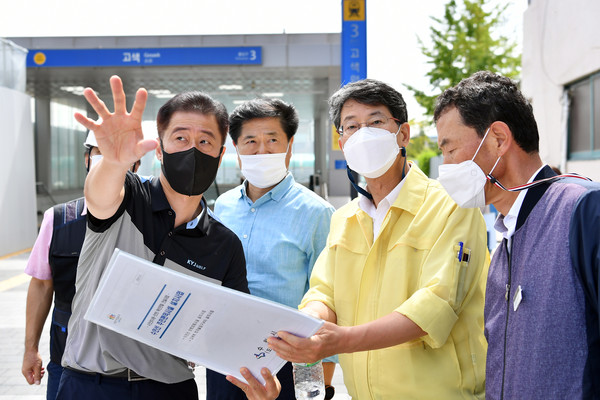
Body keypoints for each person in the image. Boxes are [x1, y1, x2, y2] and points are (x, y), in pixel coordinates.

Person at [268, 79, 489, 399]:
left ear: (403, 134)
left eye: (375, 122)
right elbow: (324, 292)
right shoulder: (343, 219)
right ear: (342, 143)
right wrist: (311, 320)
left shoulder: (452, 206)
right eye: (351, 126)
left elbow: (434, 308)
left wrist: (340, 340)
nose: (363, 134)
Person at [56, 75, 250, 400]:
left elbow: (231, 330)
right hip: (90, 384)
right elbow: (99, 196)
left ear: (220, 153)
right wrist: (113, 163)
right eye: (180, 138)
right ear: (159, 150)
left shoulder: (224, 245)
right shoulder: (127, 197)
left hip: (170, 388)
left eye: (205, 142)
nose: (192, 149)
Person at [434, 70, 600, 399]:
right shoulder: (505, 236)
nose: (445, 165)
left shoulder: (582, 209)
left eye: (450, 150)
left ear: (497, 138)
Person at [213, 98, 337, 399]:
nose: (261, 150)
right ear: (235, 149)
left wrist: (321, 386)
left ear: (289, 145)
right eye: (251, 141)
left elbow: (332, 299)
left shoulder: (316, 212)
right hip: (223, 355)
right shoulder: (223, 205)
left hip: (286, 360)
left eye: (272, 140)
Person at [21, 131, 120, 400]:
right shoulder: (59, 219)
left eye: (117, 152)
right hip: (67, 365)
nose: (107, 159)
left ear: (135, 163)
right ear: (87, 158)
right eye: (99, 151)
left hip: (133, 374)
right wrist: (31, 349)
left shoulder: (151, 223)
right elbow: (42, 284)